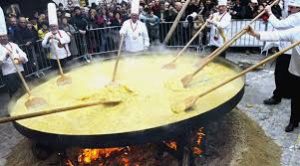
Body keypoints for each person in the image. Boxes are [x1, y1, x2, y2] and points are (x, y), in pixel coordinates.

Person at [247, 26, 300, 133]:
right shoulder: (297, 31)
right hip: (297, 70)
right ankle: (293, 121)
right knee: (296, 97)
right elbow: (278, 35)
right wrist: (256, 34)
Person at [263, 0, 300, 105]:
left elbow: (278, 25)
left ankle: (277, 96)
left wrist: (269, 12)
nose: (289, 9)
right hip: (289, 50)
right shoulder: (294, 15)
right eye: (290, 6)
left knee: (280, 75)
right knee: (289, 75)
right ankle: (287, 93)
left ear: (298, 8)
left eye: (292, 7)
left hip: (287, 51)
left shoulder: (296, 17)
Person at [0, 7, 28, 98]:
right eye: (1, 37)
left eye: (5, 36)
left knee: (25, 90)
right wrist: (5, 56)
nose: (3, 38)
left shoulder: (13, 45)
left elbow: (23, 53)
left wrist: (22, 58)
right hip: (9, 74)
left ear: (7, 36)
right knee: (15, 94)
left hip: (20, 70)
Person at [42, 3, 71, 70]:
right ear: (50, 27)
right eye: (51, 26)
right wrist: (48, 40)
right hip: (54, 57)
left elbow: (68, 39)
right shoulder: (48, 34)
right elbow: (44, 45)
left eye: (54, 26)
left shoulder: (62, 32)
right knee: (57, 71)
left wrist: (58, 38)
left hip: (64, 55)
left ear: (57, 26)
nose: (53, 28)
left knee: (67, 70)